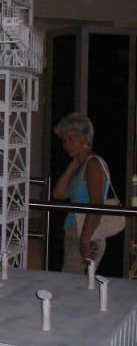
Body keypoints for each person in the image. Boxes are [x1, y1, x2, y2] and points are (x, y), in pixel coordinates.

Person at [52, 112, 110, 273]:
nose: (66, 145)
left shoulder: (93, 164)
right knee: (74, 281)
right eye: (64, 140)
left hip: (87, 233)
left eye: (71, 139)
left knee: (70, 283)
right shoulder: (81, 165)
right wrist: (72, 165)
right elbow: (58, 194)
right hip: (76, 231)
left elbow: (96, 203)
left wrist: (85, 240)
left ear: (85, 139)